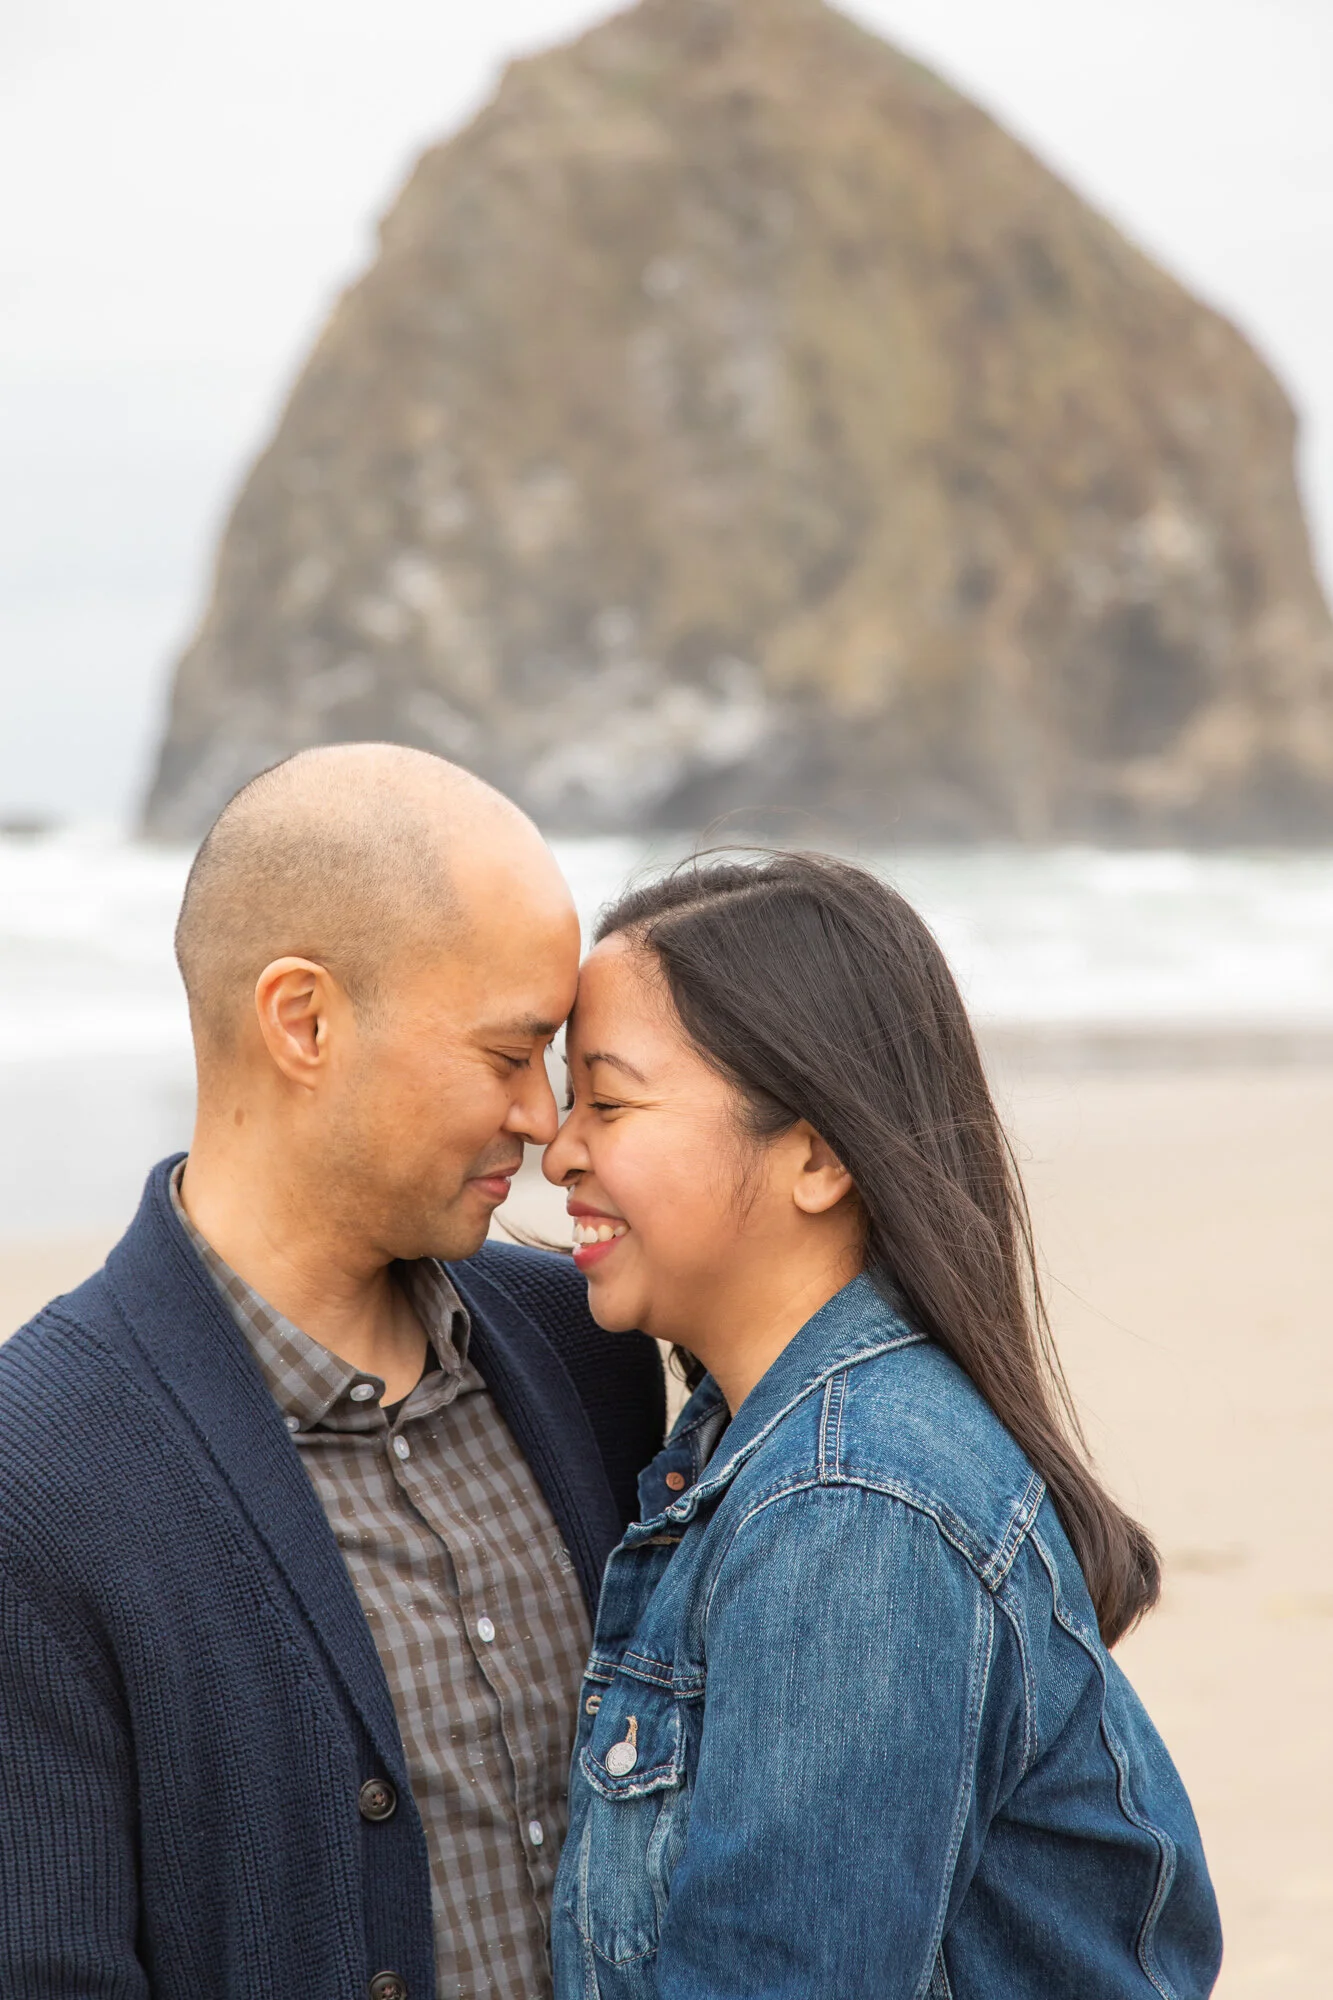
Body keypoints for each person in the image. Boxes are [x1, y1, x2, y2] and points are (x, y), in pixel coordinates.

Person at [0, 745, 663, 2000]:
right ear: (303, 1019)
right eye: (508, 1051)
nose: (543, 1117)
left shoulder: (590, 1345)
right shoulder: (32, 1471)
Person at [543, 852, 1222, 2000]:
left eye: (606, 1100)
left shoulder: (849, 1504)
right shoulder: (763, 1450)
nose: (557, 1148)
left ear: (816, 1153)